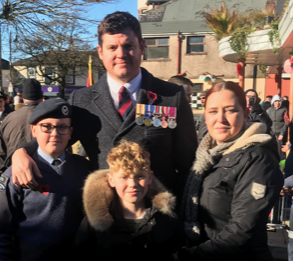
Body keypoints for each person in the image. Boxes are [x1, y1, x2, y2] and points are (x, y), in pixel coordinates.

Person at [11, 11, 197, 201]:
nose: (121, 54)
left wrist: (184, 216)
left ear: (141, 47)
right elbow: (55, 137)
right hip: (105, 214)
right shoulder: (82, 100)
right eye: (112, 47)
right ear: (100, 52)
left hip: (158, 215)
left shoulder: (171, 96)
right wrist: (21, 152)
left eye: (128, 46)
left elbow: (188, 164)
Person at [179, 81, 283, 261]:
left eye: (230, 110)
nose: (221, 118)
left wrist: (184, 256)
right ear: (205, 115)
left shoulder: (258, 158)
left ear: (246, 113)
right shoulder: (205, 154)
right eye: (213, 111)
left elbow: (241, 231)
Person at [0, 98, 90, 261]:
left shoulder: (84, 170)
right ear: (34, 130)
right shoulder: (16, 173)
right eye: (47, 127)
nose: (55, 133)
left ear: (70, 132)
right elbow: (2, 230)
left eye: (62, 127)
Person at [75, 140, 180, 260]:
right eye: (124, 177)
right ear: (111, 180)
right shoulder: (93, 224)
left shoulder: (166, 219)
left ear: (150, 178)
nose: (132, 184)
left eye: (140, 176)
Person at [0, 79, 43, 168]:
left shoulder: (8, 118)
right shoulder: (48, 118)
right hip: (41, 172)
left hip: (13, 172)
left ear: (23, 99)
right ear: (41, 99)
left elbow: (1, 152)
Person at [267, 94, 287, 160]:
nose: (277, 103)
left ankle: (282, 167)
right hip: (271, 132)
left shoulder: (284, 110)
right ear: (273, 102)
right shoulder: (269, 110)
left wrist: (282, 134)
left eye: (278, 101)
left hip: (280, 132)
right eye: (275, 101)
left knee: (281, 152)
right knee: (272, 150)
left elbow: (286, 122)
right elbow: (266, 121)